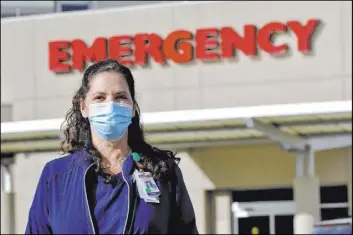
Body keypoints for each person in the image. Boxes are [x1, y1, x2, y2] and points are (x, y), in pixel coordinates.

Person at [25, 59, 198, 234]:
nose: (110, 105)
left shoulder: (162, 172)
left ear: (132, 108)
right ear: (84, 107)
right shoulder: (56, 176)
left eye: (120, 97)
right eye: (99, 97)